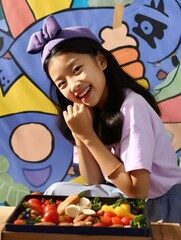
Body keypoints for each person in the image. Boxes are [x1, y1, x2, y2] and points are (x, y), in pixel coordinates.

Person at [27, 15, 181, 224]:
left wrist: (89, 136)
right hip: (127, 198)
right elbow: (94, 180)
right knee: (57, 193)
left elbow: (138, 191)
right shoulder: (91, 111)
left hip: (160, 207)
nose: (73, 85)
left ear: (101, 60)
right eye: (62, 83)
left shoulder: (132, 107)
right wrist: (80, 135)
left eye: (77, 70)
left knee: (57, 191)